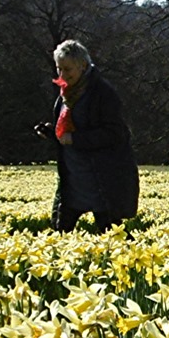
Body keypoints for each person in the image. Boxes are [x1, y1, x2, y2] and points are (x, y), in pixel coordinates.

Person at [33, 39, 139, 232]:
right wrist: (51, 132)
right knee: (60, 234)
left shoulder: (103, 93)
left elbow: (116, 134)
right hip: (73, 179)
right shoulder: (67, 92)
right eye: (59, 69)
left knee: (113, 235)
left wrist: (76, 139)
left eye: (67, 69)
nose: (62, 75)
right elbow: (66, 130)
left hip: (101, 179)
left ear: (82, 66)